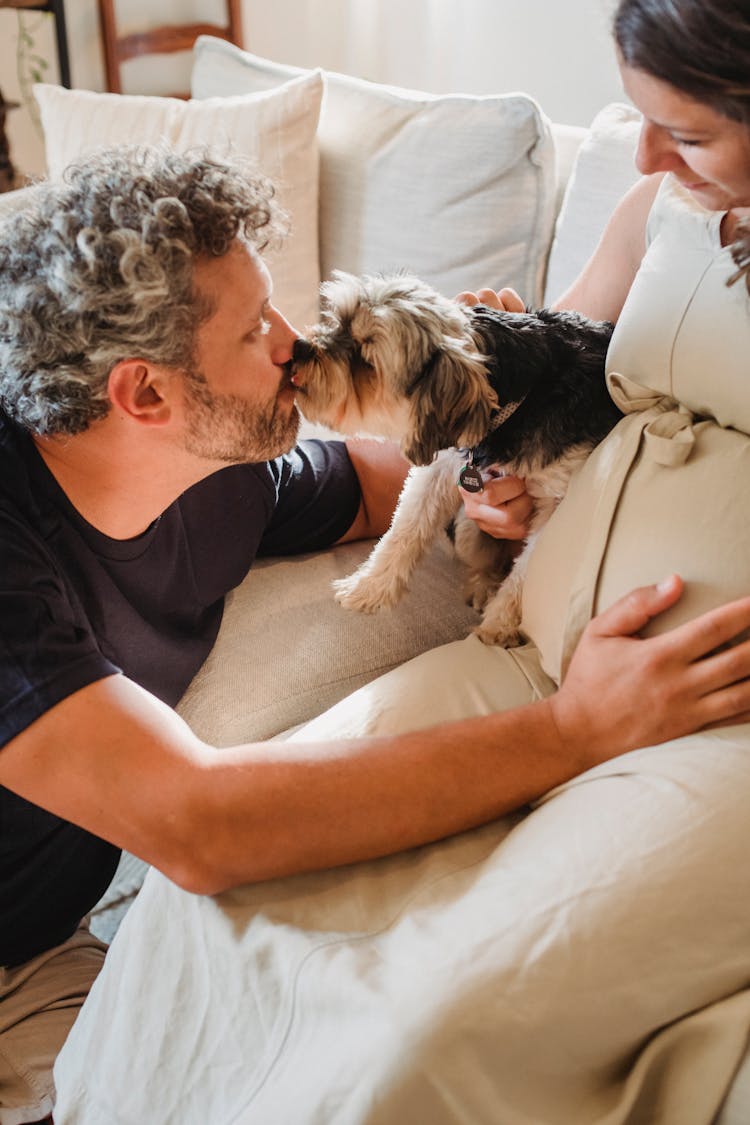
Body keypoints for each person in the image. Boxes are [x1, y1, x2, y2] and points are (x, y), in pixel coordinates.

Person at [1, 85, 750, 1121]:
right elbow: (194, 821)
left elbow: (381, 477)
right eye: (257, 330)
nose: (293, 346)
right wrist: (578, 725)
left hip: (43, 943)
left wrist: (491, 464)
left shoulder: (221, 473)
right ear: (144, 394)